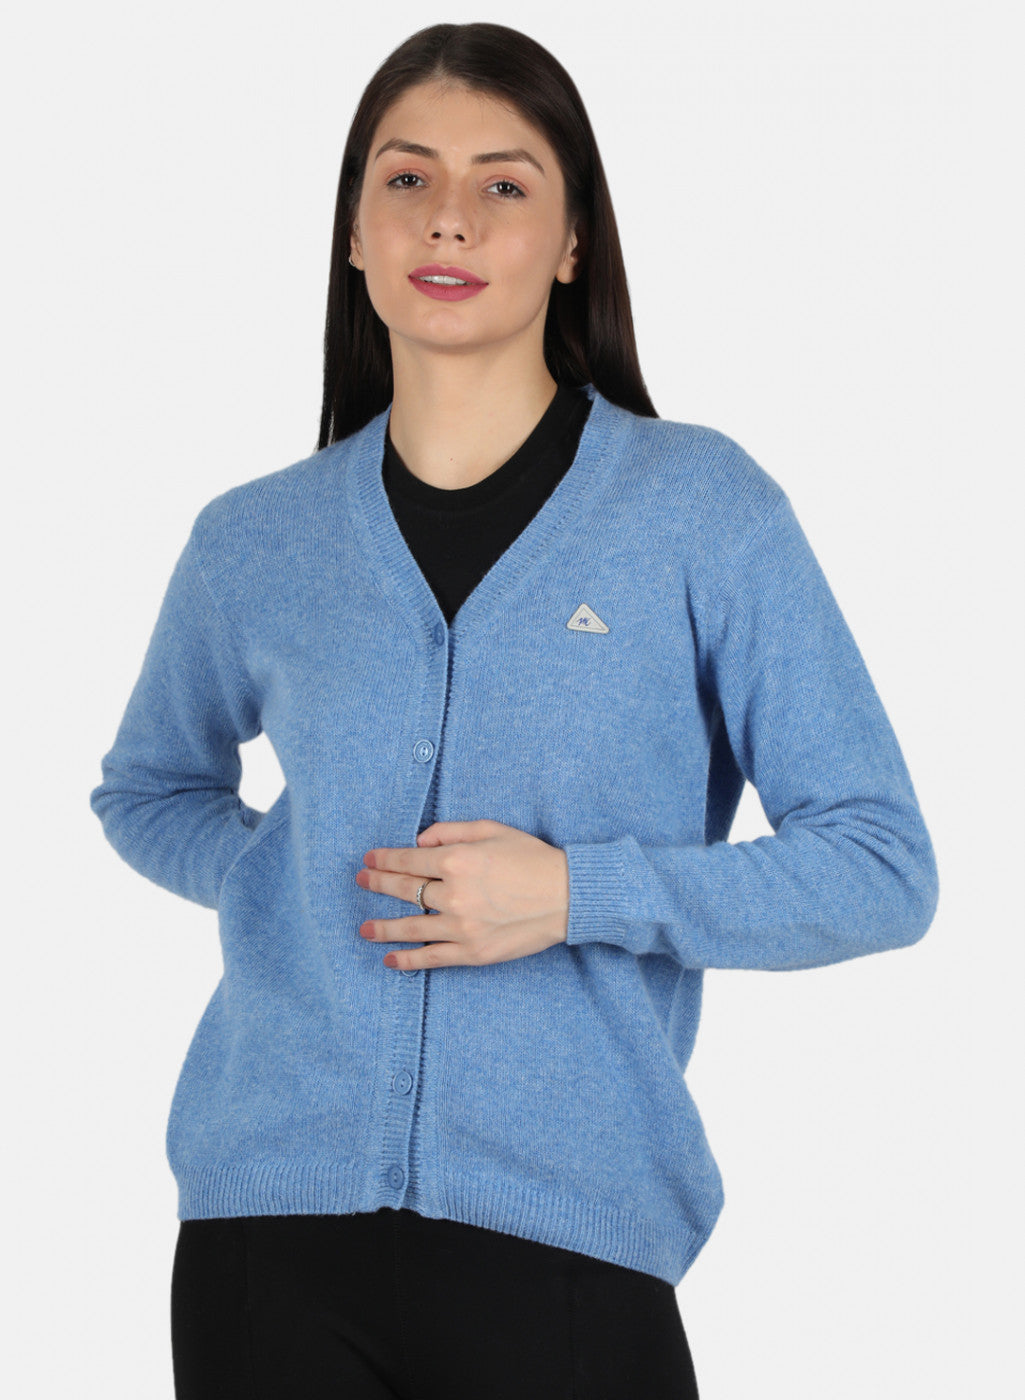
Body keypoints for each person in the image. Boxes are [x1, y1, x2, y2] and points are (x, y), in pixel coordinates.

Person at [89, 21, 940, 1400]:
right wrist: (281, 877)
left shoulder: (699, 511)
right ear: (354, 232)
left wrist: (577, 893)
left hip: (569, 1247)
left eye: (503, 182)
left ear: (572, 241)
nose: (450, 218)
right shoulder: (256, 539)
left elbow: (880, 867)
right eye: (406, 178)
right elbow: (147, 789)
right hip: (267, 1239)